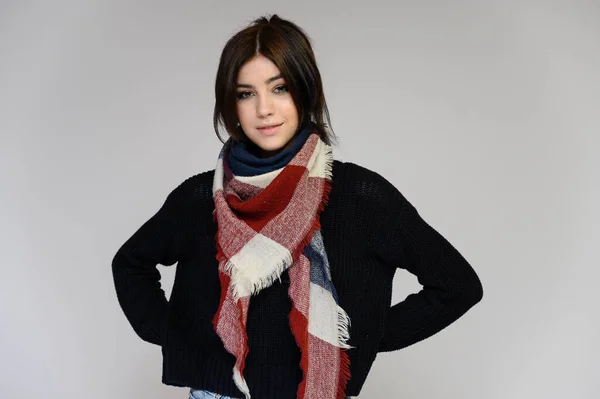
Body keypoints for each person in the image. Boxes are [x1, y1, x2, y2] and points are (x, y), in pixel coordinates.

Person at [111, 14, 483, 399]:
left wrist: (364, 338)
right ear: (230, 103)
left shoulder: (360, 196)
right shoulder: (200, 199)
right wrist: (178, 332)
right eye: (245, 93)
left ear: (305, 91)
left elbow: (457, 285)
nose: (264, 109)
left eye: (280, 88)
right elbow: (130, 264)